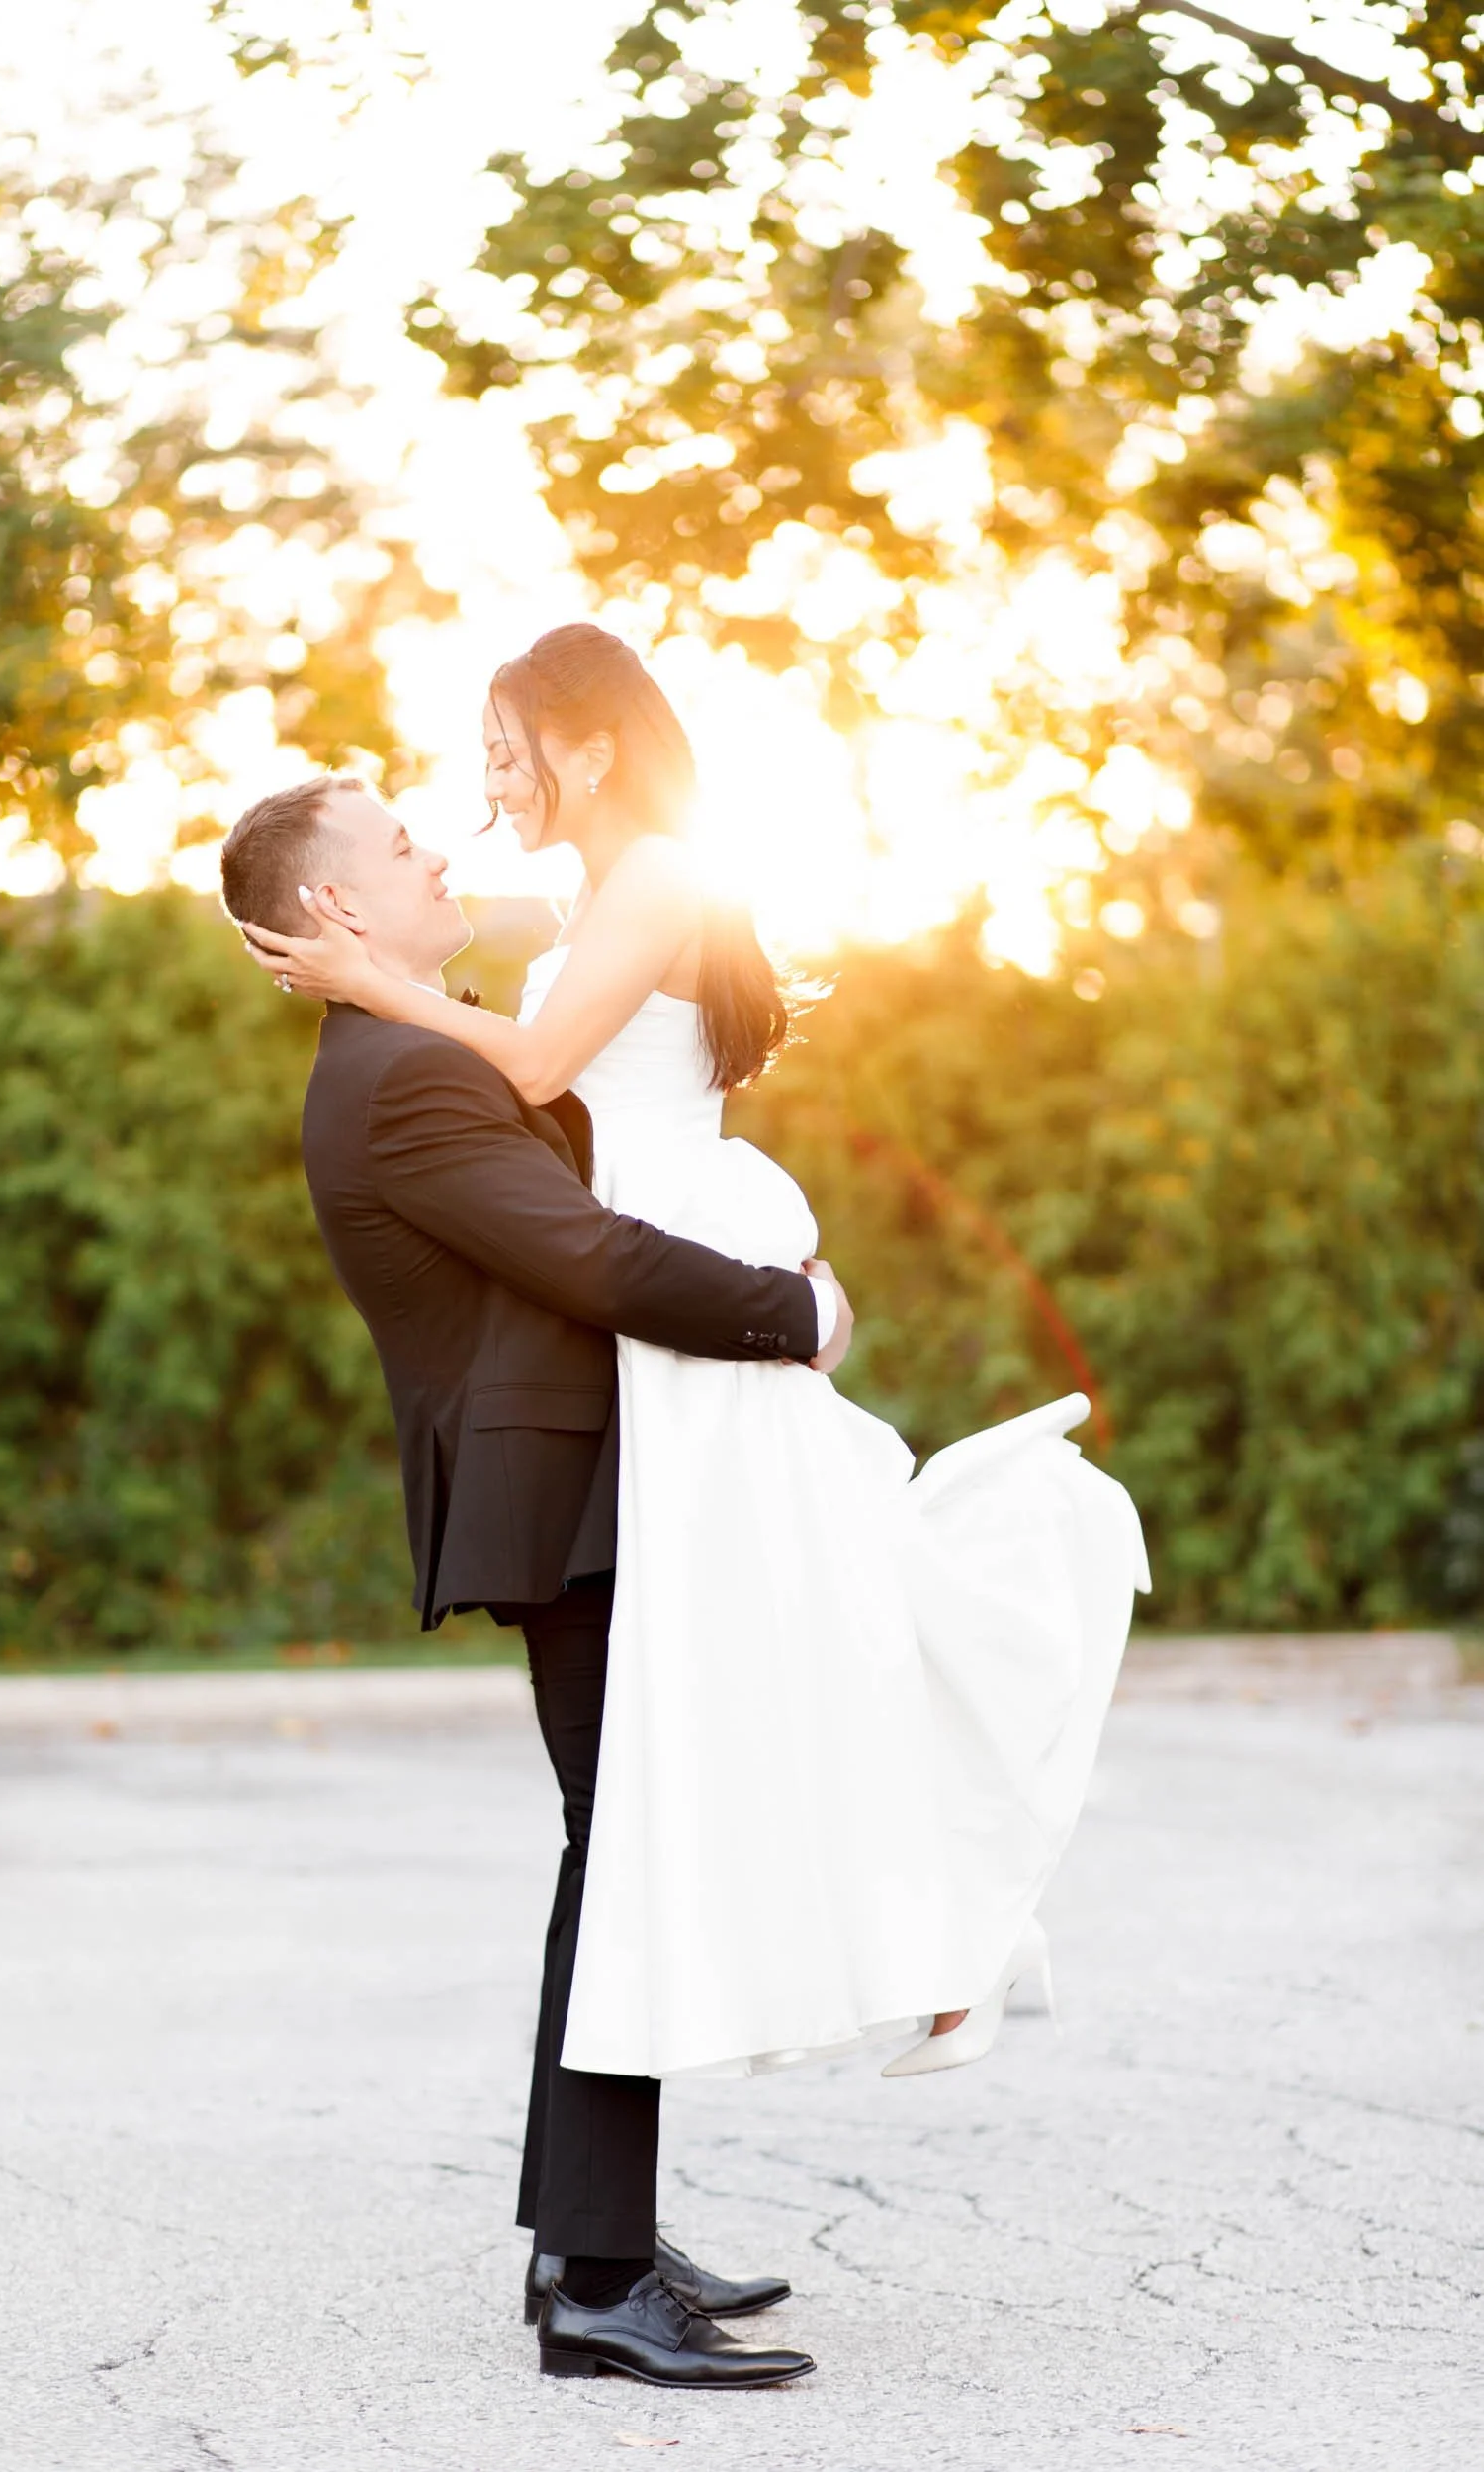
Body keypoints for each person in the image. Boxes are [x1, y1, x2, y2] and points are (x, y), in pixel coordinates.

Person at [239, 624, 1150, 2105]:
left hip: (674, 1259)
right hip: (638, 1281)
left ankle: (946, 1938)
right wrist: (383, 979)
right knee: (776, 1660)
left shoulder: (661, 869)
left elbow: (533, 1080)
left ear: (592, 747)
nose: (486, 783)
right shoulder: (600, 895)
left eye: (505, 749)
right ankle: (912, 1955)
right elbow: (526, 1090)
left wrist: (365, 978)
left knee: (807, 1639)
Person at [219, 775, 828, 2390]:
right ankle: (598, 2286)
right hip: (563, 1499)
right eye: (403, 847)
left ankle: (587, 2238)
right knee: (620, 1853)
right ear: (339, 909)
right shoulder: (401, 1081)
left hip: (584, 1490)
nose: (438, 850)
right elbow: (591, 1260)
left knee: (614, 1845)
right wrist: (795, 1313)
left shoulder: (411, 1047)